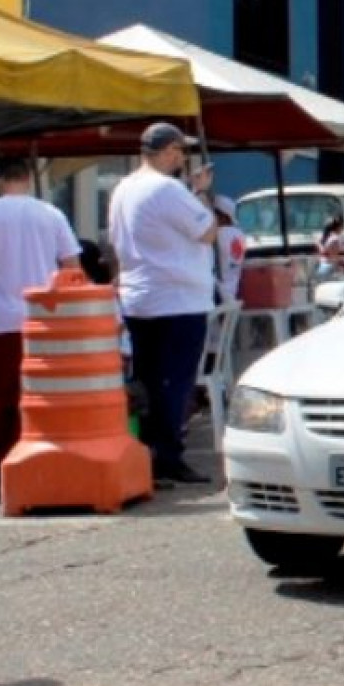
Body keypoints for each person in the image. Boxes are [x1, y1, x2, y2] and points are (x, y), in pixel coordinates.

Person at [0, 157, 81, 498]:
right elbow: (72, 266)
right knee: (38, 397)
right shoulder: (51, 213)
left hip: (1, 321)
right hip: (45, 319)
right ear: (28, 178)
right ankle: (33, 464)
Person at [109, 122, 219, 485]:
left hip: (139, 296)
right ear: (169, 150)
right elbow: (207, 230)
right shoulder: (168, 189)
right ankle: (168, 456)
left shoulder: (123, 188)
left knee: (148, 380)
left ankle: (146, 452)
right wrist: (201, 194)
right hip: (178, 297)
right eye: (179, 151)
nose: (182, 158)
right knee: (175, 383)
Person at [316, 216, 344, 281]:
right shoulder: (334, 239)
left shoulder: (326, 238)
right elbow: (334, 256)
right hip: (333, 270)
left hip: (328, 267)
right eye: (342, 226)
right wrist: (343, 266)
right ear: (338, 227)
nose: (342, 228)